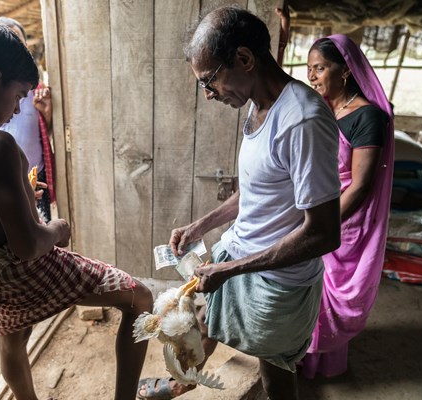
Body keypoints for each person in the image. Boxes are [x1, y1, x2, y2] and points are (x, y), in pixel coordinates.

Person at [138, 7, 341, 400]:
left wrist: (232, 269)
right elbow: (255, 189)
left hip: (276, 280)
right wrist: (200, 226)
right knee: (203, 319)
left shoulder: (303, 121)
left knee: (274, 367)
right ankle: (183, 380)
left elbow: (323, 233)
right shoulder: (258, 105)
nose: (209, 94)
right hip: (242, 255)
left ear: (244, 59)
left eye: (209, 80)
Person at [0, 24, 153, 400]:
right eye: (19, 95)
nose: (19, 107)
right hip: (19, 261)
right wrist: (59, 228)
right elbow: (27, 245)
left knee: (12, 335)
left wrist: (22, 192)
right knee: (140, 298)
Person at [301, 34, 394, 378]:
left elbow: (360, 185)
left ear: (345, 71)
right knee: (307, 291)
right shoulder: (322, 110)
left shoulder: (367, 118)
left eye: (320, 68)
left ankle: (319, 364)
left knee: (326, 296)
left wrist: (320, 227)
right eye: (309, 69)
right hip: (317, 212)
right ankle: (298, 354)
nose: (312, 76)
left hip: (343, 222)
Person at [0, 17, 55, 222]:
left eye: (19, 44)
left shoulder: (38, 91)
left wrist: (47, 112)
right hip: (3, 180)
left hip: (37, 175)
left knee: (39, 228)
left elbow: (46, 134)